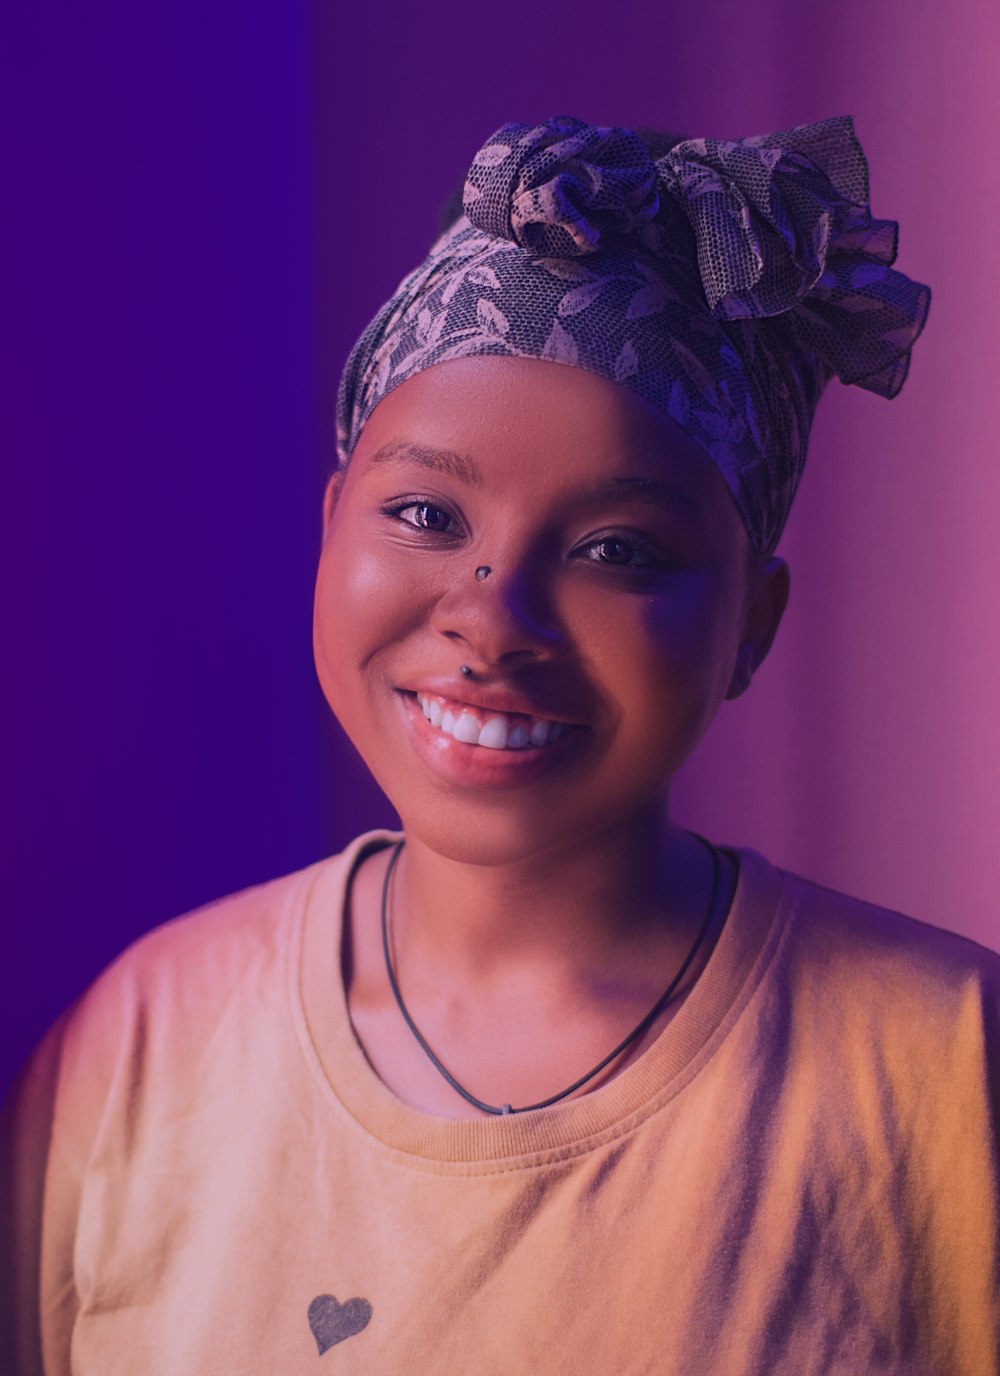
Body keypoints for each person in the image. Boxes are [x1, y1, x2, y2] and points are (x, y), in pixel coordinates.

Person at [2, 113, 997, 1375]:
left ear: (750, 621)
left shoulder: (948, 1070)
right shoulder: (140, 1045)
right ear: (330, 526)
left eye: (617, 549)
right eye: (424, 512)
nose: (491, 614)